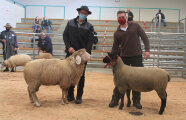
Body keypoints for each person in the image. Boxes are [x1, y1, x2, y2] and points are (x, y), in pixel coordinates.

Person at [109, 10, 150, 109]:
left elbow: (144, 37)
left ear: (126, 17)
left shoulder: (135, 26)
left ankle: (136, 101)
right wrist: (111, 58)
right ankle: (115, 99)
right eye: (119, 17)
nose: (121, 19)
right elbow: (115, 48)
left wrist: (147, 50)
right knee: (120, 81)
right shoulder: (117, 33)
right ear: (117, 19)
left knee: (137, 80)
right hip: (124, 59)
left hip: (136, 57)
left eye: (122, 17)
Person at [63, 5, 94, 104]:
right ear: (78, 13)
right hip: (71, 54)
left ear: (87, 15)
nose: (83, 15)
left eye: (85, 14)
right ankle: (70, 95)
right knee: (70, 74)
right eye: (82, 13)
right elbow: (65, 35)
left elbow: (90, 41)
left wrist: (84, 53)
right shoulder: (70, 23)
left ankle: (79, 96)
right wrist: (68, 47)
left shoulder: (89, 26)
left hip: (82, 55)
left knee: (81, 75)